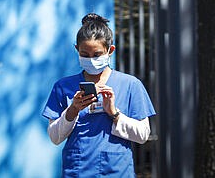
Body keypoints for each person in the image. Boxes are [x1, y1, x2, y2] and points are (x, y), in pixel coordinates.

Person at [42, 13, 156, 177]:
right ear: (77, 50)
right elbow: (54, 137)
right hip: (78, 170)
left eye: (97, 55)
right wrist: (72, 110)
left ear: (110, 50)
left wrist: (114, 113)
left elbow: (143, 135)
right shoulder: (63, 87)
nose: (91, 60)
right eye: (85, 55)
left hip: (117, 171)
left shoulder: (131, 85)